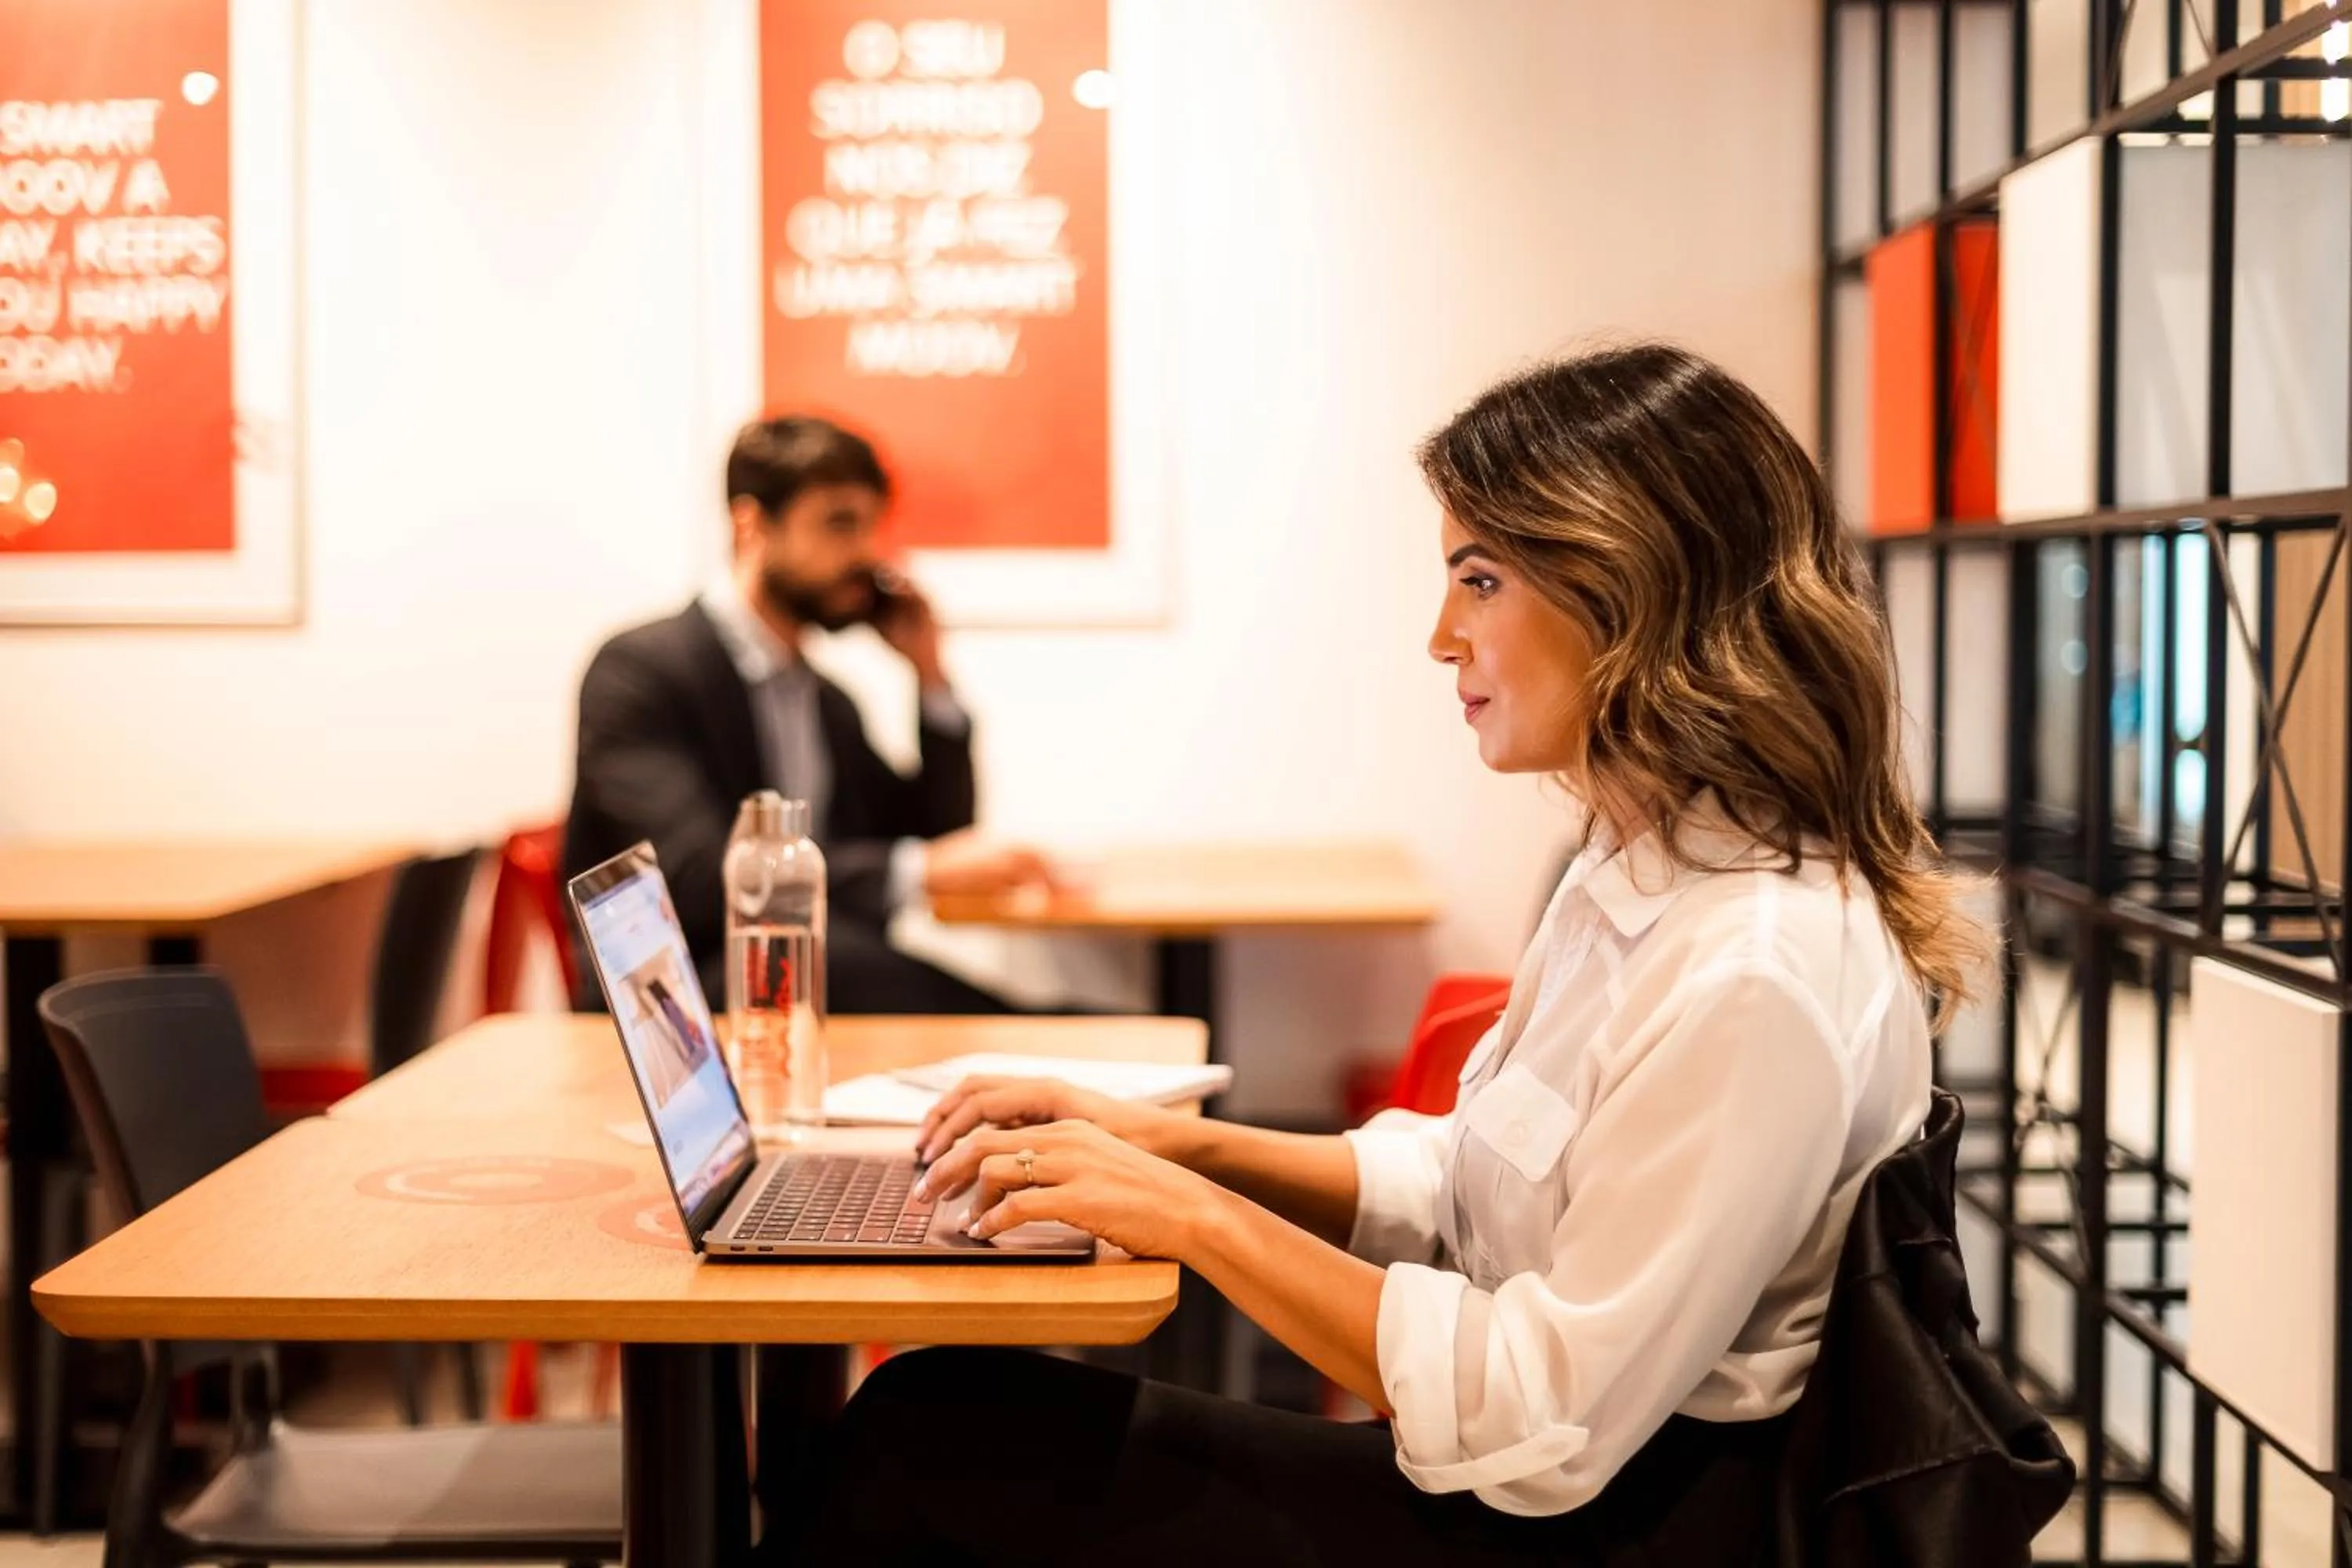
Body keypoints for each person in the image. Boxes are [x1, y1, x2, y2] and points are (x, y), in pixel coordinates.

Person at [780, 345, 1994, 1563]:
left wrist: (1193, 1215)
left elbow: (1543, 1421)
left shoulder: (1755, 970)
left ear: (1627, 586)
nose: (1439, 638)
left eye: (1479, 581)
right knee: (927, 1421)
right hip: (1572, 1481)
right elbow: (1471, 1184)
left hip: (1611, 1524)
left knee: (919, 1448)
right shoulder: (1640, 868)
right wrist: (1165, 1140)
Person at [564, 416, 1054, 1014]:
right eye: (840, 523)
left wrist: (929, 676)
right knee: (1002, 1024)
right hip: (683, 1008)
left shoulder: (821, 698)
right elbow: (697, 877)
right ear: (752, 526)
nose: (868, 553)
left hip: (813, 980)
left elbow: (935, 835)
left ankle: (1062, 1043)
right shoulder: (642, 671)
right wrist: (917, 871)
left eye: (874, 526)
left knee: (887, 982)